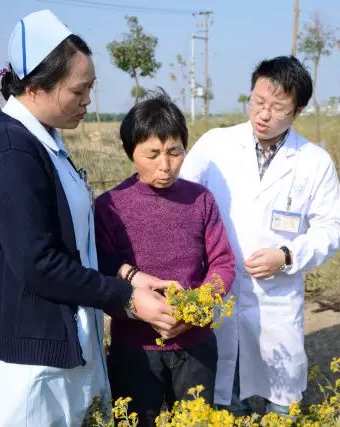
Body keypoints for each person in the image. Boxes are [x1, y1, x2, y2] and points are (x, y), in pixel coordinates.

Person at [0, 10, 177, 426]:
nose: (87, 101)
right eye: (79, 91)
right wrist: (127, 299)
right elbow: (37, 262)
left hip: (59, 349)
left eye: (90, 89)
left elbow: (73, 243)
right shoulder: (11, 154)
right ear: (38, 88)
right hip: (30, 368)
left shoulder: (45, 141)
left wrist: (127, 278)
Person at [179, 55, 340, 416]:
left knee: (281, 402)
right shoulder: (215, 145)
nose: (264, 114)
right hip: (219, 291)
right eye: (258, 102)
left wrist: (286, 255)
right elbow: (181, 202)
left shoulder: (314, 161)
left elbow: (332, 227)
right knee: (225, 397)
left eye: (277, 107)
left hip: (276, 300)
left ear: (298, 110)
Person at [94, 90, 236, 426]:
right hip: (135, 349)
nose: (165, 165)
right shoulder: (109, 206)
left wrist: (199, 304)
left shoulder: (200, 200)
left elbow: (223, 263)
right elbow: (101, 272)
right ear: (131, 152)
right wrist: (138, 311)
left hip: (196, 343)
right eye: (152, 154)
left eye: (174, 152)